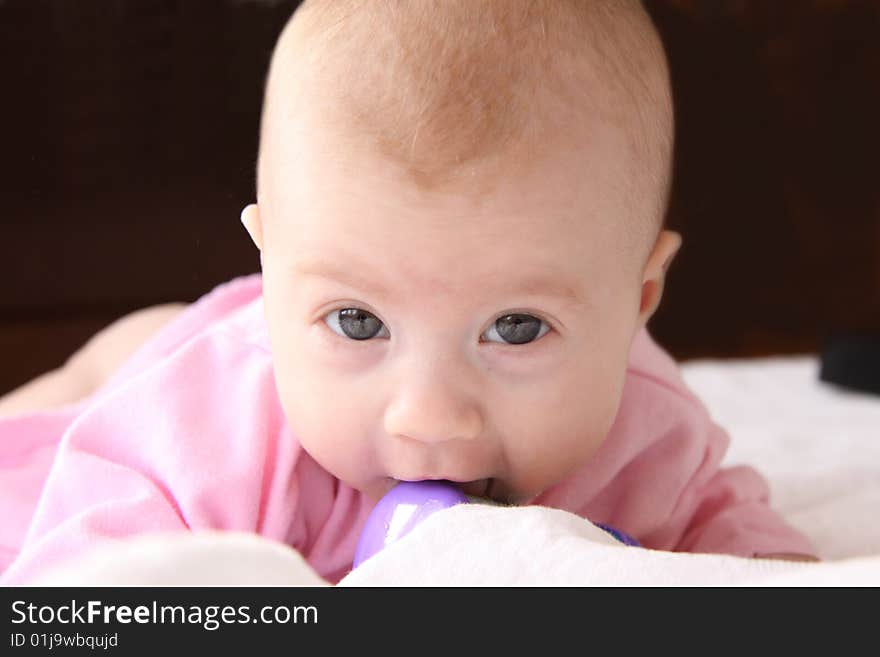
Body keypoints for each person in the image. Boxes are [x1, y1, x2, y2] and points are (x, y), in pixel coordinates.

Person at [0, 0, 816, 585]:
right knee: (81, 392)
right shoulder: (207, 431)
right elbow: (75, 593)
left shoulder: (647, 433)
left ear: (637, 298)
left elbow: (747, 546)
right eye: (356, 320)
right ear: (278, 260)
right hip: (189, 358)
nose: (427, 417)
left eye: (517, 327)